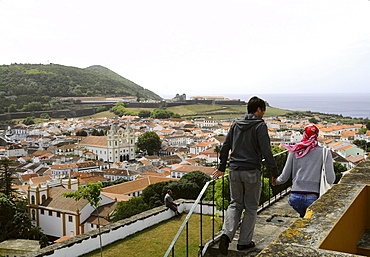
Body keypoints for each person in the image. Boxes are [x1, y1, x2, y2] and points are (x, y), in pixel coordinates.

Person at [212, 96, 279, 255]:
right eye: (263, 110)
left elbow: (225, 147)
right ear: (258, 110)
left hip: (234, 170)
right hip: (251, 171)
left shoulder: (235, 124)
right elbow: (266, 152)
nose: (263, 114)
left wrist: (222, 167)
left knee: (235, 204)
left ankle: (226, 235)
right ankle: (244, 242)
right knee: (250, 207)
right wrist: (274, 173)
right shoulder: (259, 126)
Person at [273, 124, 335, 218]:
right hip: (313, 197)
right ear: (317, 136)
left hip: (295, 197)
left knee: (303, 218)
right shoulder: (325, 152)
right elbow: (331, 180)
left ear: (304, 135)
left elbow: (284, 176)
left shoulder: (295, 150)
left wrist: (275, 181)